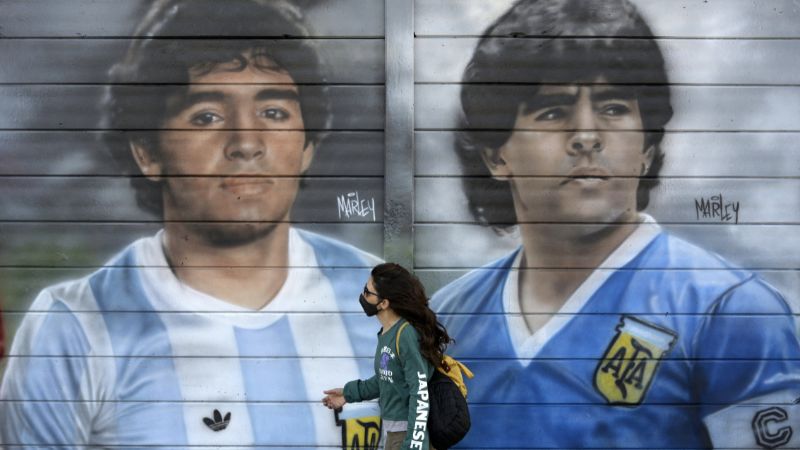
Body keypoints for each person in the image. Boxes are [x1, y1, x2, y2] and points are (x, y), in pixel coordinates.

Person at [0, 0, 382, 448]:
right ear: (147, 153)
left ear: (307, 146)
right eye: (207, 116)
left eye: (274, 112)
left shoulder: (384, 302)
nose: (246, 143)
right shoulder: (75, 327)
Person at [431, 0, 800, 448]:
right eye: (552, 111)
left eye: (613, 107)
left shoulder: (729, 311)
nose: (586, 134)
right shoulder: (447, 318)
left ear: (647, 147)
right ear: (495, 155)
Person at [322, 263, 451, 450]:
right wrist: (347, 394)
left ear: (384, 303)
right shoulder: (387, 333)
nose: (363, 295)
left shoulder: (405, 335)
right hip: (394, 434)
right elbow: (386, 379)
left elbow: (420, 393)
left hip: (407, 437)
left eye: (368, 291)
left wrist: (414, 444)